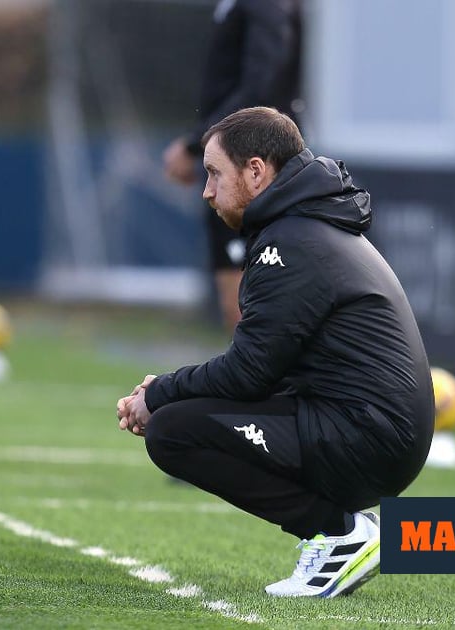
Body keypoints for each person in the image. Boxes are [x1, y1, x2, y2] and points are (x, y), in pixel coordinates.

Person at [119, 108, 433, 598]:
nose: (206, 190)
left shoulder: (291, 240)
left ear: (257, 171)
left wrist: (159, 390)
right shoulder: (303, 226)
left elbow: (248, 372)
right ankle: (342, 529)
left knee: (174, 430)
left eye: (214, 173)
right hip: (367, 427)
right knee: (181, 414)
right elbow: (264, 370)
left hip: (367, 438)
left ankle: (339, 533)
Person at [162, 0, 302, 333]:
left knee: (248, 309)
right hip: (239, 158)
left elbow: (261, 87)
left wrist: (197, 143)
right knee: (240, 308)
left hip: (251, 164)